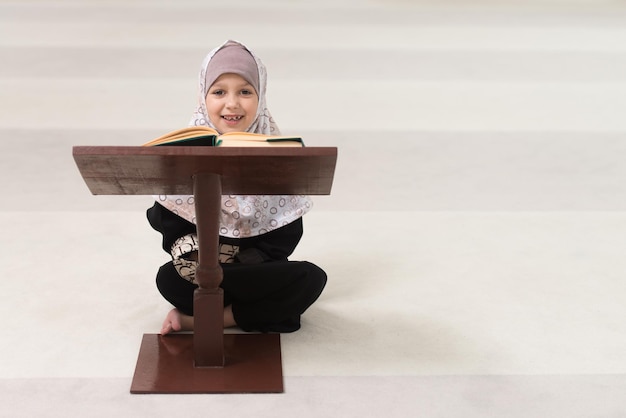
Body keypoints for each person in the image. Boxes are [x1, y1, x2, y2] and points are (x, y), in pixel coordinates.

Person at [146, 40, 327, 335]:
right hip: (200, 270)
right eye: (219, 92)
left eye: (245, 91)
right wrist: (198, 257)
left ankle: (202, 321)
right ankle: (257, 314)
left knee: (310, 277)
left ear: (261, 97)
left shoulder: (276, 153)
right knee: (168, 278)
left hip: (253, 273)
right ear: (203, 97)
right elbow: (166, 223)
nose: (232, 104)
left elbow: (287, 236)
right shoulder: (185, 150)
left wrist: (244, 262)